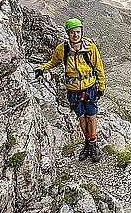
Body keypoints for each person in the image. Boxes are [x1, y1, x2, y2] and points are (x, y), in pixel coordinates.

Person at [35, 18, 106, 163]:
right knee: (81, 117)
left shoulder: (90, 47)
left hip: (90, 87)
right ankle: (88, 143)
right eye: (72, 32)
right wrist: (42, 69)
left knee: (91, 116)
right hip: (73, 90)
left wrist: (101, 86)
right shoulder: (62, 49)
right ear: (68, 33)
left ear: (81, 32)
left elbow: (99, 67)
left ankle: (92, 144)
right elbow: (53, 62)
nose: (75, 35)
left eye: (78, 32)